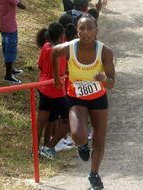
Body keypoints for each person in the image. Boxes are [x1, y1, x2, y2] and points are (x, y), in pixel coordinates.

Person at [52, 15, 115, 189]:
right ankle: (81, 145)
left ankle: (94, 174)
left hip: (98, 98)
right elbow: (54, 52)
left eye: (89, 28)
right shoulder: (70, 48)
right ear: (77, 31)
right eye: (82, 28)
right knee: (78, 135)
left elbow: (112, 82)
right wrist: (57, 78)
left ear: (97, 31)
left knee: (100, 140)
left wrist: (103, 78)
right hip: (76, 97)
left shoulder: (105, 52)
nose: (85, 32)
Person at [36, 22, 71, 160]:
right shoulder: (58, 51)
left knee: (44, 120)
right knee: (68, 121)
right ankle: (49, 146)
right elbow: (62, 71)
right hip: (56, 90)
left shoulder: (45, 46)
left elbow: (40, 66)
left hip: (43, 86)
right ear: (62, 36)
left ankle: (36, 149)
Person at [0, 0, 26, 84]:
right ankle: (8, 75)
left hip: (2, 25)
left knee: (6, 47)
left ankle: (11, 70)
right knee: (10, 50)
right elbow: (22, 6)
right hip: (10, 27)